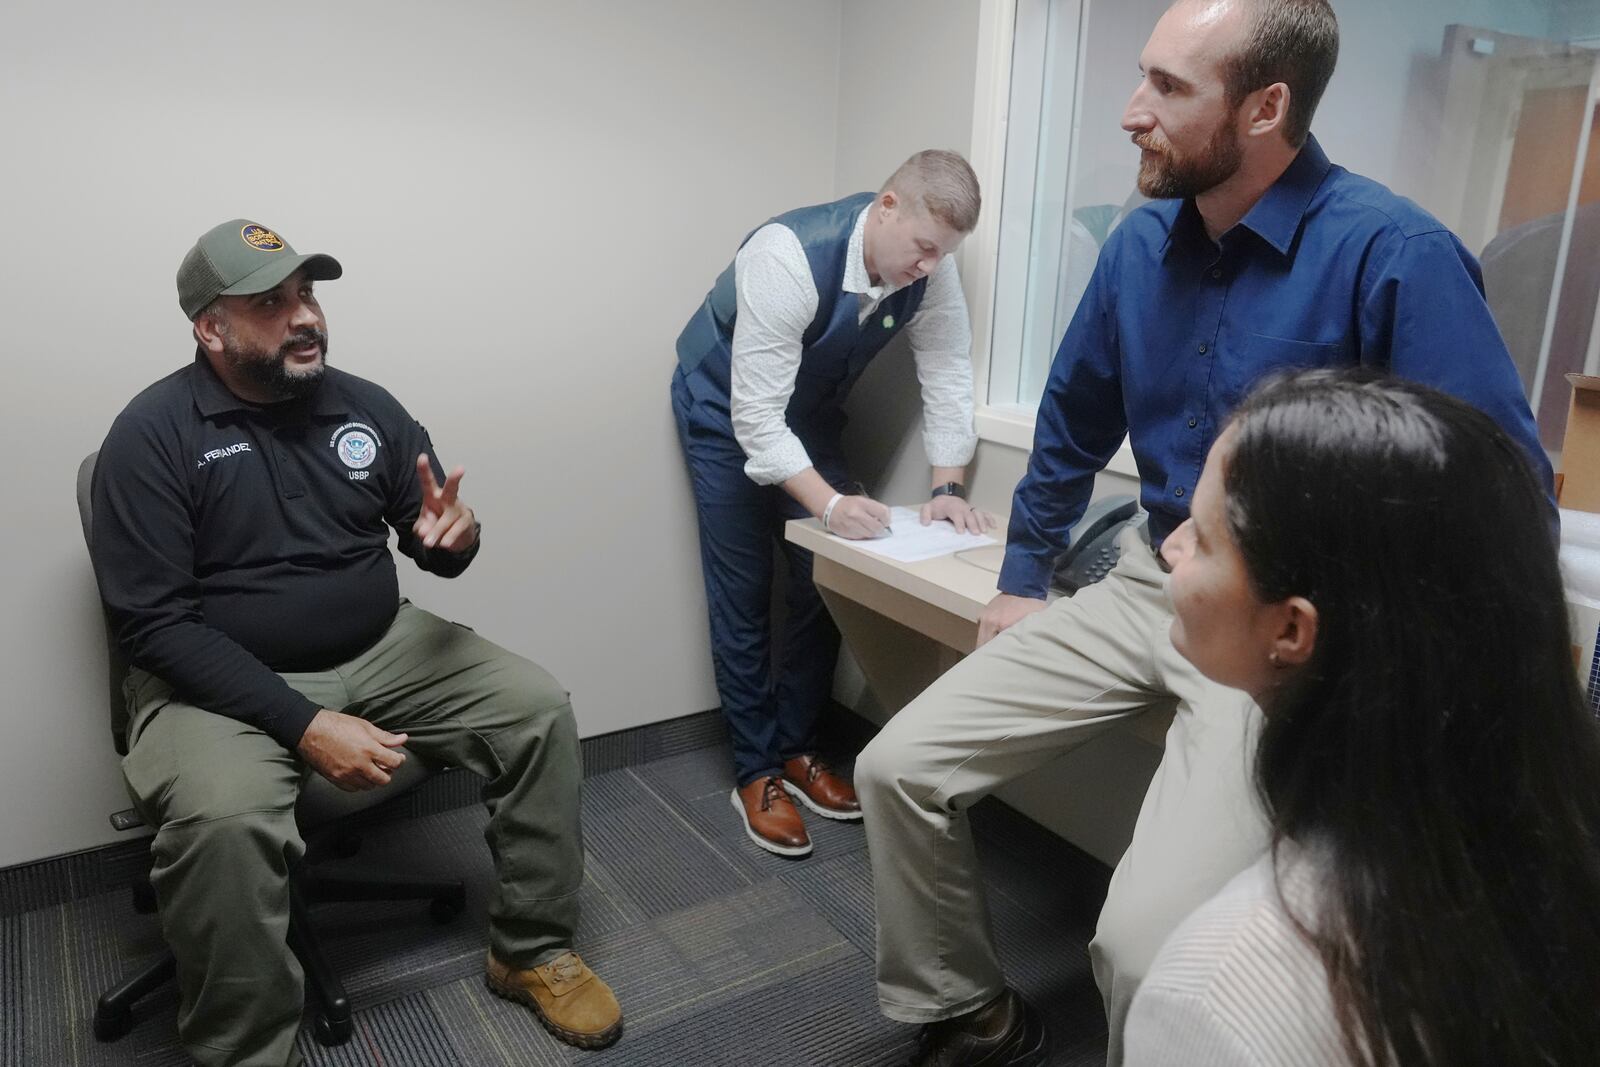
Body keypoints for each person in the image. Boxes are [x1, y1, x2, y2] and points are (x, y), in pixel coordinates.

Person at [852, 1, 1555, 1064]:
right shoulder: (1138, 245)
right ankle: (970, 1008)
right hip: (1149, 571)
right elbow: (1071, 423)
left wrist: (1372, 641)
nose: (1132, 112)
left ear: (1267, 106)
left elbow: (1503, 493)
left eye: (1169, 87)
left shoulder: (1391, 252)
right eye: (1143, 76)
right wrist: (1024, 577)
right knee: (896, 765)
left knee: (1144, 947)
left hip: (1279, 626)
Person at [90, 219, 622, 1067]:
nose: (304, 317)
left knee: (537, 709)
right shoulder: (152, 436)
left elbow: (430, 536)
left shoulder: (364, 406)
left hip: (383, 644)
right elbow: (154, 626)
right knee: (225, 820)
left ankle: (529, 949)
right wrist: (302, 723)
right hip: (218, 675)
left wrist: (454, 540)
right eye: (270, 303)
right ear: (211, 329)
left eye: (307, 294)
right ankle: (244, 1046)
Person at [1125, 369, 1600, 1066]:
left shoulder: (1216, 996)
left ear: (1292, 630)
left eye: (1199, 536)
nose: (1171, 549)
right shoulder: (1556, 847)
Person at [672, 150, 993, 857]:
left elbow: (946, 372)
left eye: (945, 253)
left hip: (808, 410)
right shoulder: (786, 256)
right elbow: (755, 419)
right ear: (887, 208)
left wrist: (946, 488)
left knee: (831, 572)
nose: (930, 267)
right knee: (745, 584)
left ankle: (796, 746)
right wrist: (827, 505)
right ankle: (755, 772)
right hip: (724, 407)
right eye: (923, 247)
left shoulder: (929, 271)